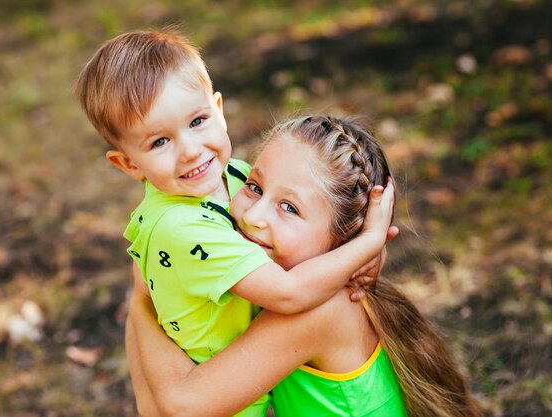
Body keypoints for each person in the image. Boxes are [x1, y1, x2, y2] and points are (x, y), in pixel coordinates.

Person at [74, 29, 394, 417]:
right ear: (127, 164)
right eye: (160, 142)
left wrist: (363, 252)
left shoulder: (234, 176)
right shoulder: (182, 227)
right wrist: (369, 241)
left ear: (218, 109)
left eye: (197, 121)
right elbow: (289, 291)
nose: (191, 151)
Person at [127, 115, 484, 417]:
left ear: (343, 239)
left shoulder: (313, 311)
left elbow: (180, 406)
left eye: (289, 208)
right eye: (254, 186)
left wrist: (144, 297)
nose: (254, 216)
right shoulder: (295, 278)